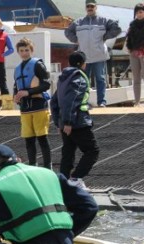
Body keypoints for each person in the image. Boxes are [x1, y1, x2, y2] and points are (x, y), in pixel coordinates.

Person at [51, 51, 100, 190]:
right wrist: (67, 122)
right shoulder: (78, 78)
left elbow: (54, 102)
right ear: (82, 64)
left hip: (66, 123)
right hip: (78, 122)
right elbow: (71, 101)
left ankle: (63, 182)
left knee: (68, 152)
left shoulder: (63, 79)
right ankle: (76, 178)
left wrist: (59, 122)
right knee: (92, 151)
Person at [64, 0, 121, 107]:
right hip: (83, 58)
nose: (90, 8)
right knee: (84, 80)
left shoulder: (104, 21)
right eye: (88, 6)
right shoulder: (78, 22)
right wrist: (76, 40)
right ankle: (84, 102)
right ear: (86, 8)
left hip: (99, 56)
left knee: (100, 79)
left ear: (96, 7)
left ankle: (102, 102)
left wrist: (105, 36)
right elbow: (67, 32)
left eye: (92, 6)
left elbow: (117, 28)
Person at [13, 37, 52, 169]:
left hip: (39, 106)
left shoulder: (38, 65)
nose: (24, 53)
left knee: (42, 139)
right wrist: (15, 97)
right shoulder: (17, 68)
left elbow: (46, 84)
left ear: (32, 50)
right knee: (29, 140)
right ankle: (33, 166)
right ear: (18, 52)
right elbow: (16, 86)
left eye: (27, 50)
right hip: (25, 109)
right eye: (22, 50)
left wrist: (28, 92)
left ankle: (48, 167)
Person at [126, 3, 144, 106]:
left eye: (141, 12)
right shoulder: (132, 25)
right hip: (134, 53)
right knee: (136, 78)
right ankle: (137, 101)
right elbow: (129, 39)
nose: (139, 14)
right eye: (137, 12)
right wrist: (129, 48)